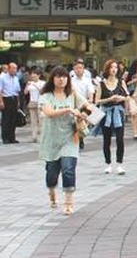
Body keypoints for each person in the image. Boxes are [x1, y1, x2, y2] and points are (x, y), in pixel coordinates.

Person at [39, 65, 91, 215]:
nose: (61, 79)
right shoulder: (46, 96)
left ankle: (68, 202)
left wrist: (83, 114)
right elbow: (49, 113)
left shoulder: (72, 94)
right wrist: (68, 110)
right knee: (52, 174)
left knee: (68, 168)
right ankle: (52, 193)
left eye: (64, 76)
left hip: (70, 137)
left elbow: (88, 106)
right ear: (52, 79)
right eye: (58, 76)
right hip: (51, 140)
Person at [94, 59, 130, 174]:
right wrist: (109, 99)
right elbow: (97, 101)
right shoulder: (101, 84)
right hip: (106, 113)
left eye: (115, 67)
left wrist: (121, 98)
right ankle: (108, 163)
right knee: (107, 139)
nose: (114, 69)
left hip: (118, 112)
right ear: (107, 69)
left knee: (120, 139)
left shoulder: (121, 82)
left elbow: (127, 96)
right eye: (111, 67)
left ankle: (119, 164)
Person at [1, 62, 21, 144]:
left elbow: (18, 91)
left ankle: (12, 137)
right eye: (13, 68)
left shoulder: (16, 78)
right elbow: (0, 90)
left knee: (13, 119)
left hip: (14, 99)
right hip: (6, 99)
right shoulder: (2, 78)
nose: (15, 70)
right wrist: (1, 101)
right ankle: (5, 138)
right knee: (6, 119)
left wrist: (18, 101)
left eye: (16, 68)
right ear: (9, 69)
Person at [25, 68, 45, 142]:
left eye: (34, 76)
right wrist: (27, 85)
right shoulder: (30, 83)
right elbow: (25, 92)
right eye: (32, 76)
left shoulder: (42, 82)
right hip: (32, 102)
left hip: (40, 103)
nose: (33, 77)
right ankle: (34, 136)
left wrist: (35, 85)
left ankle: (42, 136)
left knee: (41, 120)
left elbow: (42, 92)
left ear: (39, 75)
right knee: (33, 121)